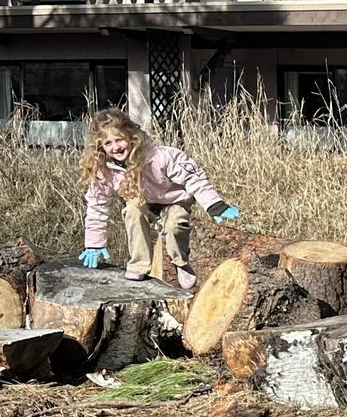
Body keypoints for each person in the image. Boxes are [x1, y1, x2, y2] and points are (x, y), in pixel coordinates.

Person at [76, 108, 240, 292]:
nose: (116, 147)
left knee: (174, 226)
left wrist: (214, 204)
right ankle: (138, 265)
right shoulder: (105, 170)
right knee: (132, 210)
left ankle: (181, 262)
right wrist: (94, 243)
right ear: (100, 147)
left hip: (173, 200)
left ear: (131, 136)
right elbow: (97, 206)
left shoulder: (161, 157)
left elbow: (194, 178)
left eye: (119, 139)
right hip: (143, 203)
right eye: (108, 143)